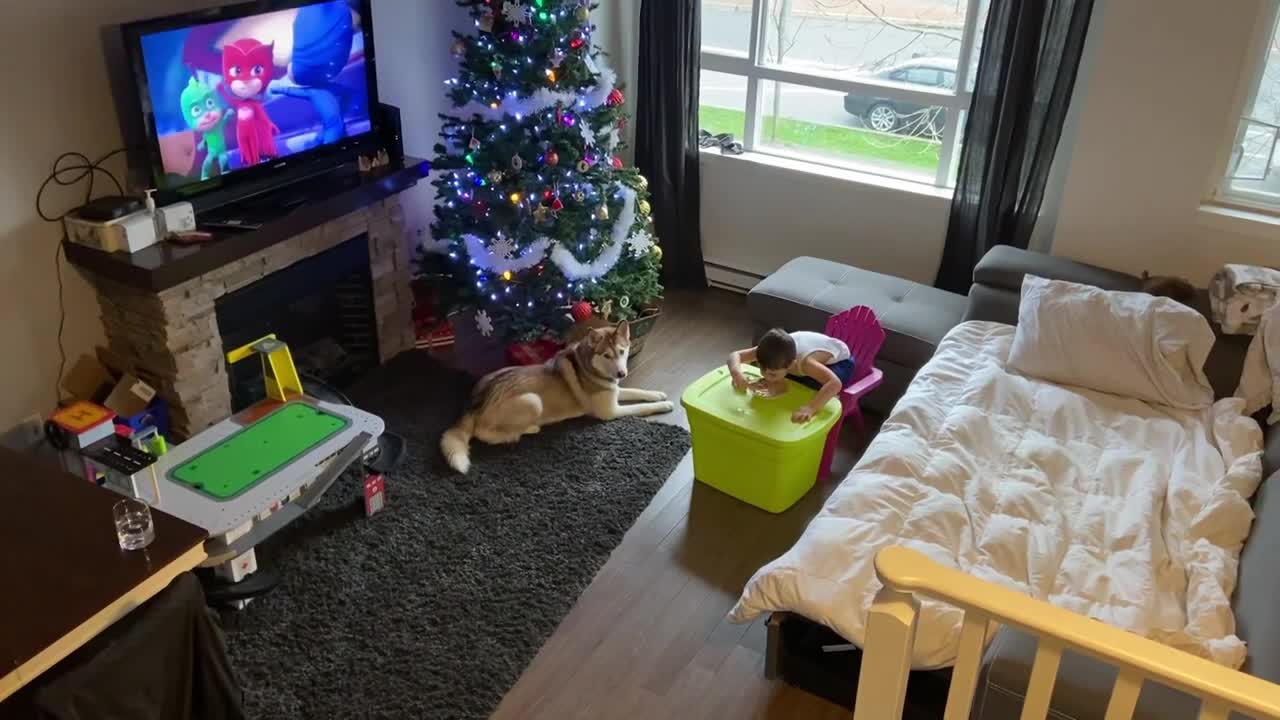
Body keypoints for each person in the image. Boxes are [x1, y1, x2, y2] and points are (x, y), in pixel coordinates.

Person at [727, 328, 853, 423]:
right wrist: (737, 373)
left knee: (812, 385)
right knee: (782, 376)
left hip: (841, 363)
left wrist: (811, 408)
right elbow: (735, 355)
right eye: (761, 367)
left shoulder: (806, 363)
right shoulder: (766, 351)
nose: (764, 375)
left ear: (790, 365)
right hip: (804, 347)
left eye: (771, 373)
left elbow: (835, 383)